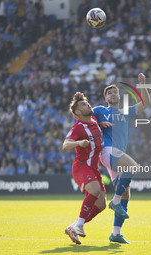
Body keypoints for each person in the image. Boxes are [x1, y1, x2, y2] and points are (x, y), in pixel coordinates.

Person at [92, 73, 150, 244]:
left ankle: (115, 233)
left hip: (117, 155)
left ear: (119, 95)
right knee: (133, 167)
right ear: (105, 98)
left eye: (115, 92)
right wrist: (98, 123)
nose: (112, 94)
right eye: (109, 93)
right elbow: (82, 116)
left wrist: (143, 85)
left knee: (126, 193)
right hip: (108, 151)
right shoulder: (100, 111)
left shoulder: (127, 112)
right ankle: (114, 201)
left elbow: (146, 104)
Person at [63, 92, 107, 245]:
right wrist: (79, 143)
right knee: (95, 190)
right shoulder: (78, 127)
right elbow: (65, 145)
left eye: (87, 102)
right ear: (78, 114)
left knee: (102, 204)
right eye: (83, 104)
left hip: (94, 168)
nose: (88, 104)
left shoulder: (94, 120)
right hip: (81, 167)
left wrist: (78, 98)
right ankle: (80, 226)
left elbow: (88, 111)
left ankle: (73, 227)